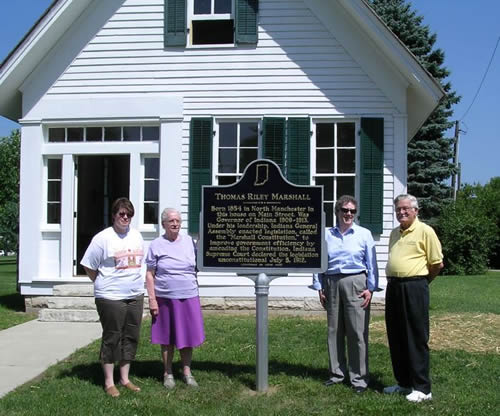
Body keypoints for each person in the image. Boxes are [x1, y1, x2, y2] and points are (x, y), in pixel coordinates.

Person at [81, 197, 145, 397]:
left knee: (131, 336)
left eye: (129, 214)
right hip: (109, 296)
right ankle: (109, 382)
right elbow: (88, 265)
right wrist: (103, 283)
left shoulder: (137, 236)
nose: (125, 217)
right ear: (114, 215)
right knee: (112, 337)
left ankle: (124, 378)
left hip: (135, 294)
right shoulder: (103, 238)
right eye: (121, 214)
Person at [315, 195, 379, 394]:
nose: (348, 214)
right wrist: (319, 286)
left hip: (356, 282)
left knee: (357, 332)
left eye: (352, 211)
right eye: (345, 210)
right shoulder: (326, 234)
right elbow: (319, 262)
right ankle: (336, 374)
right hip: (331, 282)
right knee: (334, 330)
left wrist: (371, 288)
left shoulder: (364, 234)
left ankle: (359, 379)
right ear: (337, 212)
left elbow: (372, 264)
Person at [384, 194, 443, 403]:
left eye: (406, 209)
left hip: (415, 286)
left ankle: (422, 388)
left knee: (416, 337)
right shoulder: (394, 233)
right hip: (394, 287)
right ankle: (404, 383)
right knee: (396, 335)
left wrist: (421, 283)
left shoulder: (425, 231)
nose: (401, 212)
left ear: (415, 211)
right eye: (398, 209)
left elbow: (437, 264)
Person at [145, 208, 205, 389]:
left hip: (189, 295)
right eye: (171, 221)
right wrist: (152, 299)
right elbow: (149, 274)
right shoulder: (156, 244)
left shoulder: (189, 242)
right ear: (163, 223)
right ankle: (168, 372)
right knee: (167, 337)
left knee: (187, 336)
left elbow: (198, 264)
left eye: (178, 221)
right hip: (165, 298)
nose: (175, 224)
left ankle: (187, 372)